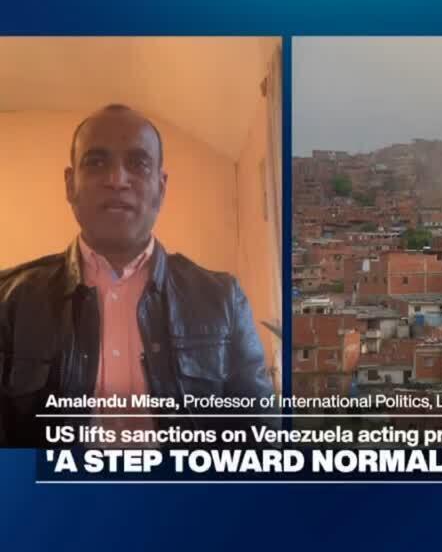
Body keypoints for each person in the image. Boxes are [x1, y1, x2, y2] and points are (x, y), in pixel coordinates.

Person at [0, 104, 276, 447]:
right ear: (70, 185)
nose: (117, 180)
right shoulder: (10, 301)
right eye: (96, 162)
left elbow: (261, 441)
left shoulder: (222, 299)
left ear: (161, 186)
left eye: (138, 163)